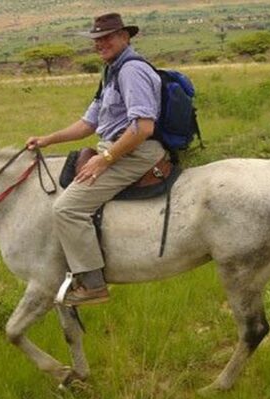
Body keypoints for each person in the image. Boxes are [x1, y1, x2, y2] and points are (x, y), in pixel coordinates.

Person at [25, 13, 165, 306]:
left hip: (135, 152)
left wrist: (105, 158)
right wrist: (48, 139)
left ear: (125, 37)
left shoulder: (131, 71)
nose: (101, 44)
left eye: (108, 37)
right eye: (97, 39)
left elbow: (143, 126)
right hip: (118, 148)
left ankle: (92, 283)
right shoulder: (112, 72)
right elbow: (88, 124)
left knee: (66, 208)